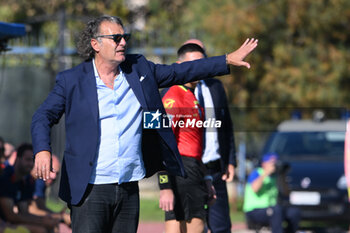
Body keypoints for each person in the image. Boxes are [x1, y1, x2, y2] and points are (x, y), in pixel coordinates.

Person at [31, 15, 258, 233]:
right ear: (95, 44)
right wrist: (42, 150)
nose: (123, 43)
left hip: (129, 186)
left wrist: (226, 59)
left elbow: (182, 70)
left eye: (125, 37)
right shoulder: (72, 80)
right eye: (116, 38)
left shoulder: (139, 68)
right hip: (90, 188)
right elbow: (42, 117)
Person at [158, 43, 216, 233]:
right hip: (181, 172)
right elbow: (162, 141)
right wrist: (165, 185)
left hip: (194, 170)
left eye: (201, 64)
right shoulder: (174, 95)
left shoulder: (192, 96)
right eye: (192, 65)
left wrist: (206, 176)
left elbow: (197, 144)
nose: (197, 70)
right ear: (179, 65)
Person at [183, 39, 236, 233]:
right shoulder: (173, 93)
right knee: (193, 226)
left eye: (202, 55)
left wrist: (230, 160)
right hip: (189, 171)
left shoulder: (215, 87)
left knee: (221, 226)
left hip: (215, 169)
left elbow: (226, 124)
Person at [0, 143, 59, 233]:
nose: (31, 164)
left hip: (7, 223)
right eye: (27, 160)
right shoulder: (6, 177)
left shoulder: (25, 181)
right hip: (5, 224)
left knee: (48, 227)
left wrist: (44, 220)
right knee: (40, 230)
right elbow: (10, 216)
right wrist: (46, 219)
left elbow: (24, 211)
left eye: (33, 161)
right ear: (17, 158)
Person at [243, 153, 300, 233]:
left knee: (294, 212)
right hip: (255, 210)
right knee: (276, 211)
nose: (274, 165)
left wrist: (282, 175)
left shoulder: (276, 176)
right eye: (271, 163)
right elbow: (255, 188)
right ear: (264, 164)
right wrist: (266, 173)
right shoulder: (257, 173)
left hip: (273, 209)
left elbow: (287, 193)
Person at [29, 155, 71, 229]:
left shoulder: (42, 183)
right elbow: (32, 210)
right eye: (51, 170)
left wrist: (58, 215)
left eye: (57, 173)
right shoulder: (38, 181)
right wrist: (61, 217)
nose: (54, 176)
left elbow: (41, 207)